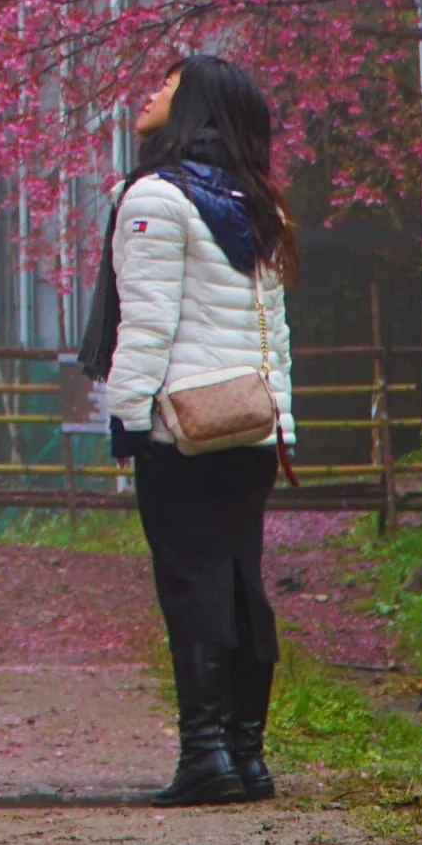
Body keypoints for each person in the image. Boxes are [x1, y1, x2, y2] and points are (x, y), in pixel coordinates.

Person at [77, 52, 296, 806]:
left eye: (167, 86)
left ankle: (207, 756)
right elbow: (274, 332)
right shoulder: (255, 201)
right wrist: (282, 421)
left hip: (183, 428)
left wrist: (129, 420)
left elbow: (146, 326)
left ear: (194, 105)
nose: (150, 92)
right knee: (239, 582)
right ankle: (247, 755)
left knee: (190, 582)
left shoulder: (156, 199)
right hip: (249, 427)